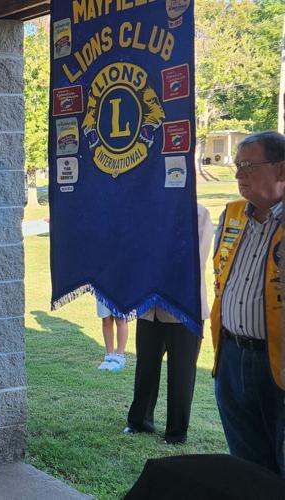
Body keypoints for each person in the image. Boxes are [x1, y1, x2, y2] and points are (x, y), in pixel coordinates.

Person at [210, 131, 285, 476]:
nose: (238, 174)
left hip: (279, 366)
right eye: (237, 166)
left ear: (281, 170)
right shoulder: (232, 216)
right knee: (247, 471)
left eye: (248, 166)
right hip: (231, 357)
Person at [124, 203, 214, 444]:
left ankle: (176, 432)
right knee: (145, 365)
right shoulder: (145, 209)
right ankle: (139, 420)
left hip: (183, 307)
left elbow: (196, 260)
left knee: (182, 370)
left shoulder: (197, 213)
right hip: (149, 307)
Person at [96, 300, 128, 372]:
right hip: (104, 288)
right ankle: (109, 356)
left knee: (120, 318)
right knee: (105, 318)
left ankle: (120, 356)